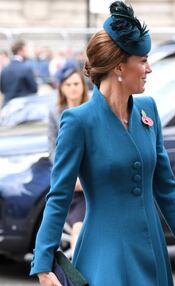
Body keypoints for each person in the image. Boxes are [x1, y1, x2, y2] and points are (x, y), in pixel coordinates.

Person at [30, 2, 175, 286]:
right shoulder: (78, 121)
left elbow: (166, 187)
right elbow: (60, 195)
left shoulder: (148, 109)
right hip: (105, 255)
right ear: (119, 67)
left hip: (153, 251)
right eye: (143, 60)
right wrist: (43, 262)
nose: (149, 69)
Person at [48, 63, 89, 255]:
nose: (73, 88)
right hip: (70, 181)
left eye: (76, 84)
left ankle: (77, 267)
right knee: (76, 223)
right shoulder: (56, 113)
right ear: (62, 88)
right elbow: (53, 149)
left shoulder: (91, 109)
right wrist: (70, 177)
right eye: (69, 84)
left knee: (80, 225)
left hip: (90, 179)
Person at [0, 40, 38, 107]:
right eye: (26, 50)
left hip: (7, 106)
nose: (27, 53)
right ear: (21, 50)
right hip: (22, 107)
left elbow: (2, 89)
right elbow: (34, 89)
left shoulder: (5, 69)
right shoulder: (26, 68)